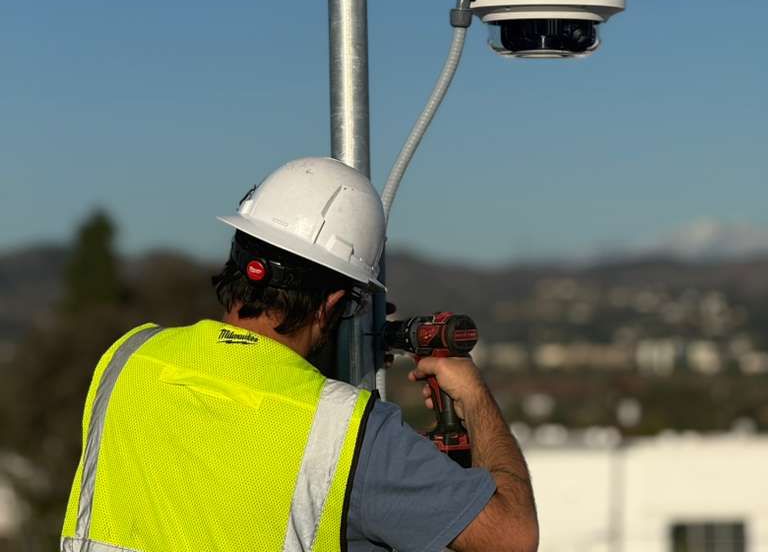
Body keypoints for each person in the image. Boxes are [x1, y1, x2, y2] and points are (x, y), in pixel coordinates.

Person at [61, 157, 538, 552]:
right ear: (332, 305)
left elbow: (232, 427)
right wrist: (474, 397)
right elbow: (512, 537)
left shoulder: (128, 359)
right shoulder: (350, 434)